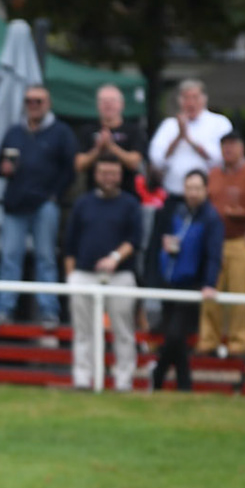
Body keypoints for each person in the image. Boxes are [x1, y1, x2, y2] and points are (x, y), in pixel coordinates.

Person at [0, 85, 76, 328]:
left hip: (44, 205)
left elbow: (70, 169)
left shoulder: (60, 132)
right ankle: (4, 310)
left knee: (46, 259)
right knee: (9, 258)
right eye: (29, 101)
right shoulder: (14, 131)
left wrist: (54, 195)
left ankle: (49, 312)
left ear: (48, 103)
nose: (33, 105)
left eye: (38, 101)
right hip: (15, 204)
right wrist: (3, 169)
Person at [63, 155, 144, 392]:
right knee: (83, 330)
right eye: (104, 173)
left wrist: (115, 258)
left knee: (123, 330)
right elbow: (69, 244)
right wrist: (71, 277)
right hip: (83, 275)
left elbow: (135, 240)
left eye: (113, 173)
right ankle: (82, 378)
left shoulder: (130, 204)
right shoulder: (83, 203)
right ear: (96, 175)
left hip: (121, 275)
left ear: (120, 176)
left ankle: (123, 381)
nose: (108, 178)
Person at [152, 169, 223, 392]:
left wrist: (209, 284)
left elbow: (214, 254)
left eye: (197, 188)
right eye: (189, 188)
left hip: (192, 284)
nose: (192, 193)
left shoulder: (211, 218)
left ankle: (157, 376)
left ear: (205, 190)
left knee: (174, 335)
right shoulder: (178, 211)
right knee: (176, 339)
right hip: (171, 282)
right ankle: (184, 385)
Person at [201, 131, 245, 355]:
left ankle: (238, 342)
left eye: (233, 145)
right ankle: (209, 340)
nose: (228, 150)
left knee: (240, 294)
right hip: (215, 241)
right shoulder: (213, 174)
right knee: (211, 291)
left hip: (242, 241)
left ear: (242, 148)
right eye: (224, 146)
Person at [75, 83, 145, 196]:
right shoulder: (87, 130)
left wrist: (111, 146)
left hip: (127, 195)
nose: (108, 104)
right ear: (97, 105)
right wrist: (98, 149)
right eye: (103, 101)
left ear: (122, 104)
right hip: (94, 196)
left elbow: (134, 162)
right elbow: (79, 165)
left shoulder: (134, 130)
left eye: (112, 100)